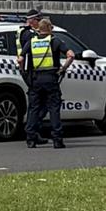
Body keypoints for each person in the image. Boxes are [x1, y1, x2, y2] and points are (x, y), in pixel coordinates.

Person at [22, 18, 75, 149]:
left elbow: (20, 59)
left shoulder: (31, 42)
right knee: (53, 108)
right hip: (51, 78)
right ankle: (57, 139)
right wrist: (63, 69)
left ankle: (31, 139)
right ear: (50, 28)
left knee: (34, 108)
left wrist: (24, 73)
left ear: (39, 29)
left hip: (35, 79)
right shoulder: (55, 41)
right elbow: (71, 55)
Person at [16, 9, 43, 74]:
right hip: (29, 66)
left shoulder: (23, 31)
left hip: (26, 64)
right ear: (32, 20)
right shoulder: (30, 34)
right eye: (38, 20)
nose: (40, 22)